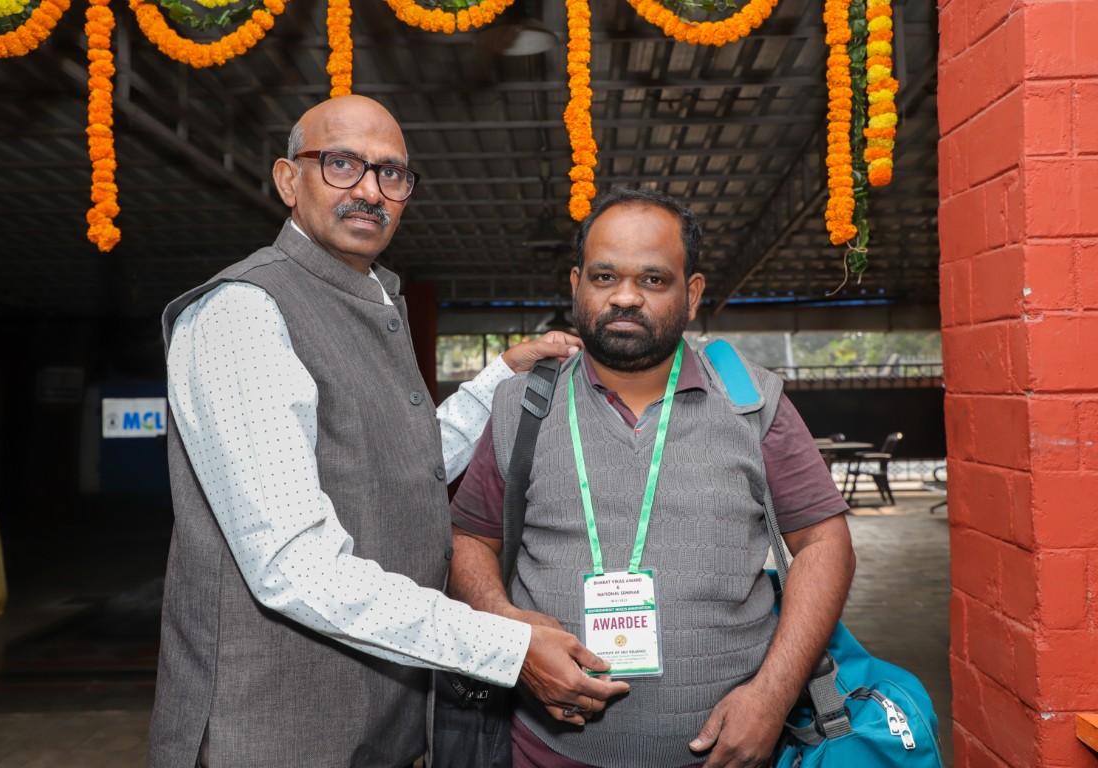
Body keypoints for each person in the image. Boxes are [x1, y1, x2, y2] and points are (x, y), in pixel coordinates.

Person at [147, 95, 628, 768]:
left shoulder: (370, 302)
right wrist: (506, 647)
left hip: (377, 724)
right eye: (342, 164)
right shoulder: (244, 315)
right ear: (288, 180)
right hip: (273, 733)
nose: (371, 191)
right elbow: (293, 565)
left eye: (391, 173)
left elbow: (398, 467)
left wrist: (501, 376)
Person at [448, 188, 857, 768]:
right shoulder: (521, 407)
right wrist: (510, 628)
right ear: (576, 284)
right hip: (546, 752)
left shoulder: (751, 401)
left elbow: (824, 542)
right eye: (604, 276)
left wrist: (772, 698)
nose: (625, 297)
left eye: (653, 280)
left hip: (726, 753)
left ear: (692, 294)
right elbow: (469, 539)